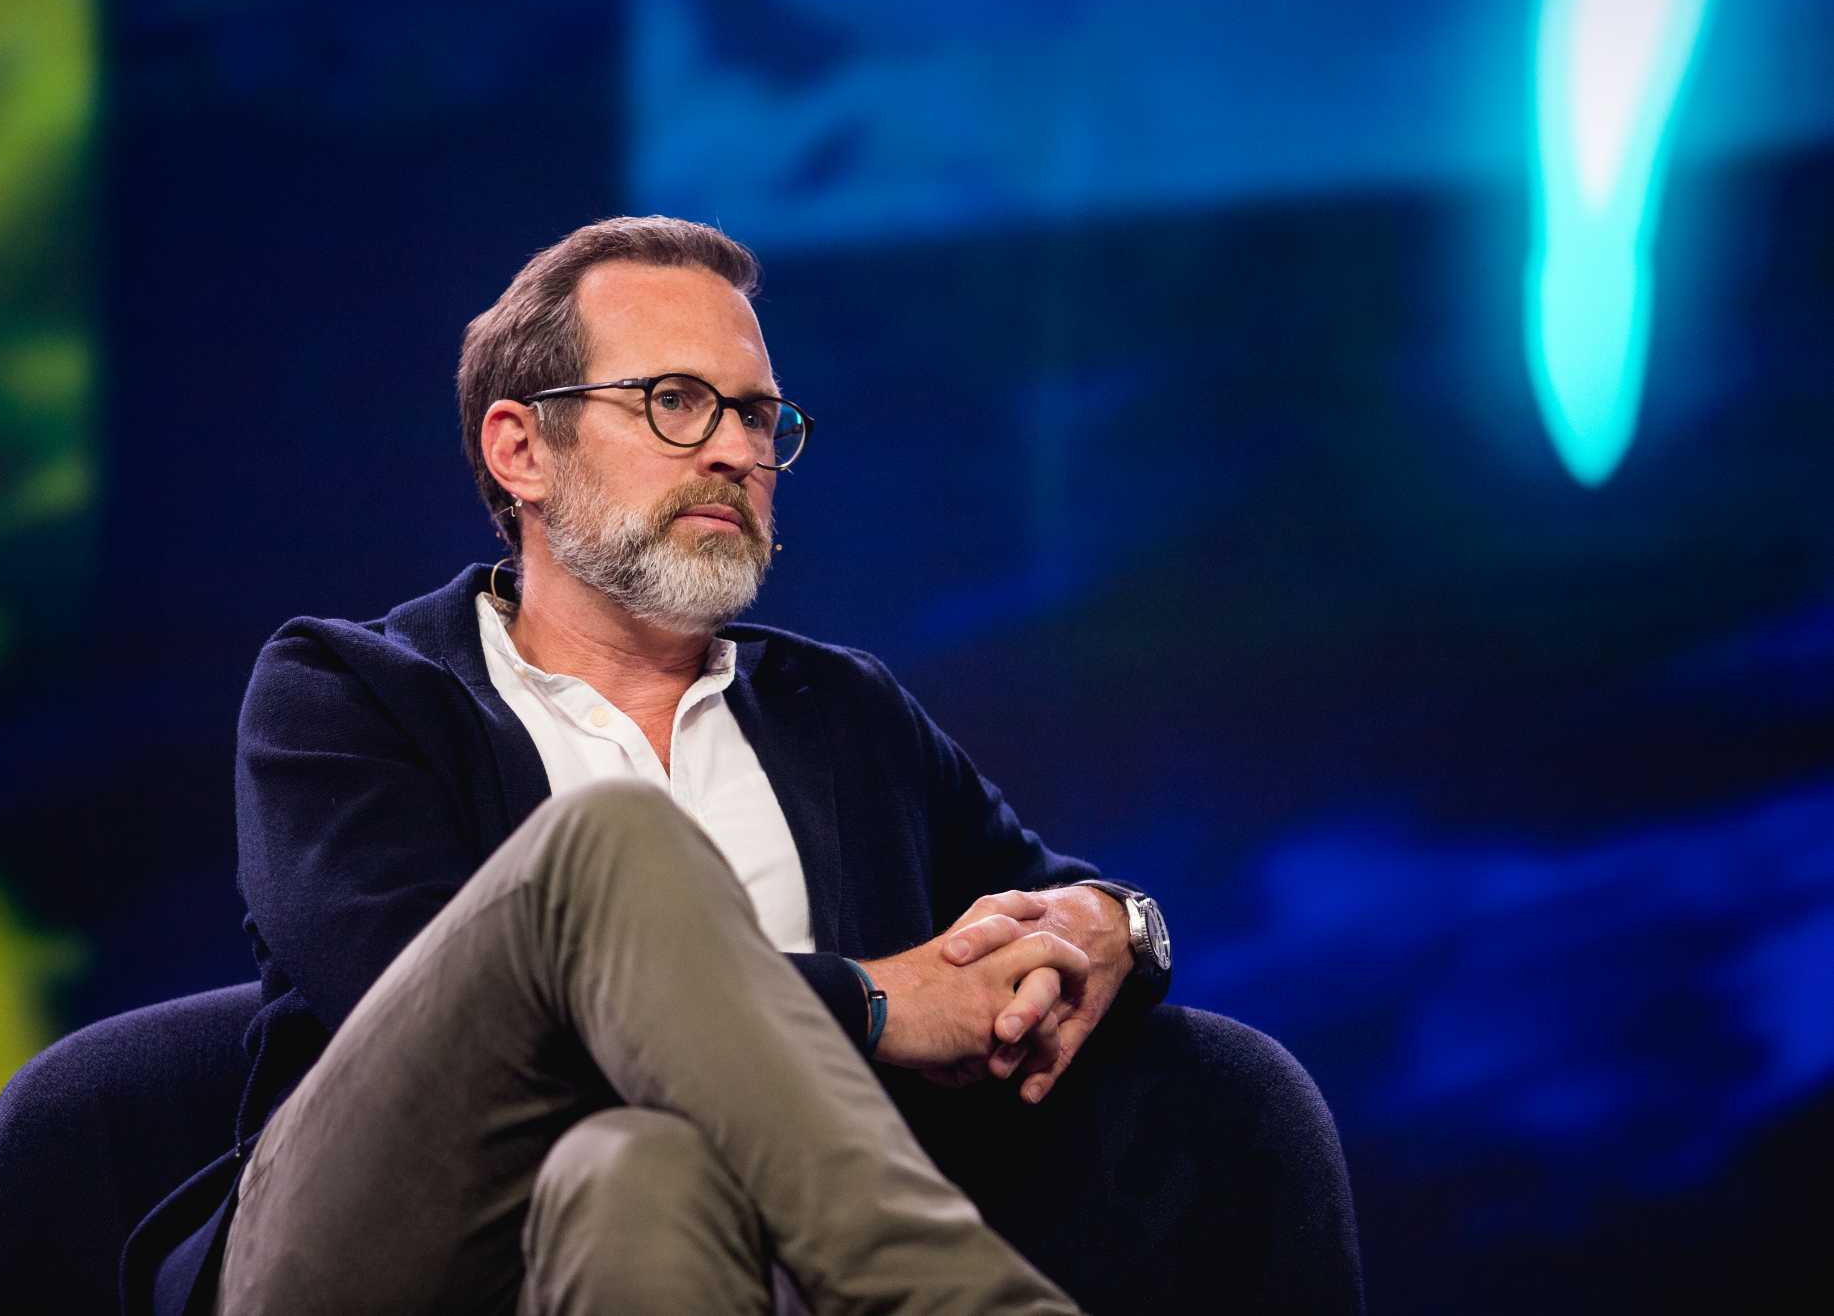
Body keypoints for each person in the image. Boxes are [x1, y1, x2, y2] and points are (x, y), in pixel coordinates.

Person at [141, 217, 1363, 1315]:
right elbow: (415, 1014)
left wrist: (1116, 927)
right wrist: (870, 1004)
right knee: (611, 845)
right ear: (521, 449)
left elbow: (1056, 902)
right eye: (675, 401)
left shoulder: (842, 715)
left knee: (646, 1173)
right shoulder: (349, 694)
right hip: (371, 1252)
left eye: (757, 415)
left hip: (715, 1261)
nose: (733, 449)